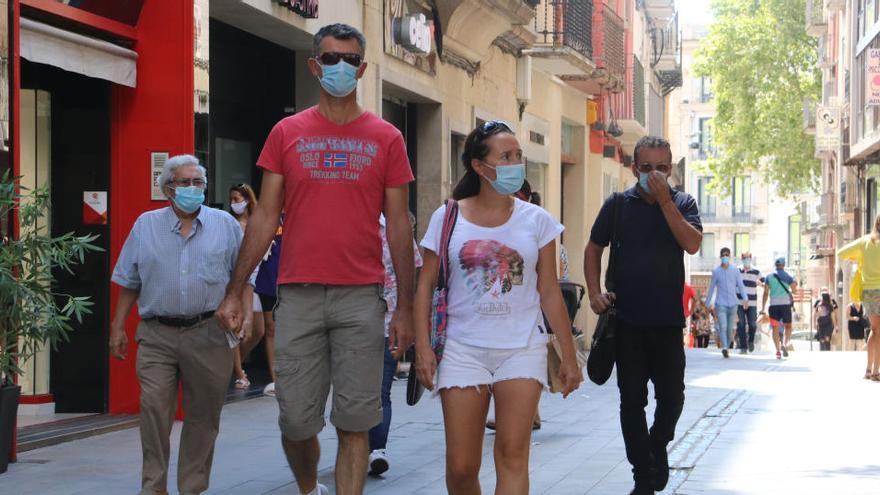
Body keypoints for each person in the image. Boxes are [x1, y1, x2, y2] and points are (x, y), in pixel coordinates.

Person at [215, 23, 417, 495]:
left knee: (355, 422)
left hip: (361, 299)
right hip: (299, 296)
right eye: (330, 59)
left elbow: (401, 226)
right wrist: (236, 291)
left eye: (349, 60)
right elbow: (265, 217)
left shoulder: (386, 138)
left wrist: (405, 307)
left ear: (362, 69)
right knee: (296, 422)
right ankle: (309, 488)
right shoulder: (287, 132)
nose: (340, 67)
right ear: (314, 65)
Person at [414, 120, 581, 494]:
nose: (515, 163)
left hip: (522, 348)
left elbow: (550, 291)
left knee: (512, 454)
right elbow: (424, 285)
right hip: (461, 349)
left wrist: (570, 355)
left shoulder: (538, 221)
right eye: (506, 156)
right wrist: (423, 348)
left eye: (518, 156)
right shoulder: (448, 217)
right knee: (461, 467)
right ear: (479, 166)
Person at [108, 154, 254, 495]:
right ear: (168, 188)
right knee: (154, 410)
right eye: (185, 182)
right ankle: (153, 487)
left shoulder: (225, 225)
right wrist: (117, 327)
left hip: (209, 333)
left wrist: (245, 314)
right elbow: (129, 281)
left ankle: (192, 487)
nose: (192, 189)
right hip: (157, 333)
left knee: (204, 418)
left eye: (198, 183)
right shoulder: (146, 225)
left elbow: (243, 278)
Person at [585, 136, 702, 495]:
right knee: (631, 401)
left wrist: (666, 201)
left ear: (671, 169)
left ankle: (656, 445)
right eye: (647, 168)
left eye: (662, 168)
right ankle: (643, 476)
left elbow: (692, 243)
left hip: (668, 323)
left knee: (673, 398)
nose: (654, 175)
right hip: (628, 323)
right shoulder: (618, 205)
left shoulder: (683, 203)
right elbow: (593, 249)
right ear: (635, 169)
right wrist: (594, 293)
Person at [368, 212, 423, 476]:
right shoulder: (352, 220)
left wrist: (410, 318)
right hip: (352, 322)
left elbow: (414, 274)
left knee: (381, 389)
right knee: (359, 391)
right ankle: (361, 448)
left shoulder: (397, 227)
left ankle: (377, 449)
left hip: (389, 322)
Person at [229, 183, 266, 389]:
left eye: (237, 199)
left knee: (257, 331)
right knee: (236, 329)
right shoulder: (230, 224)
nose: (234, 204)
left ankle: (232, 364)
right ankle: (238, 372)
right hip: (238, 282)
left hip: (255, 281)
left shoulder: (257, 223)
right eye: (232, 199)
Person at [838, 217, 880, 380]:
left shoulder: (865, 241)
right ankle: (876, 371)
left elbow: (841, 253)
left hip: (868, 290)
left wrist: (859, 258)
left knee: (874, 330)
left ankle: (869, 370)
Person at [254, 215, 283, 396]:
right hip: (267, 280)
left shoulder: (298, 214)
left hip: (292, 279)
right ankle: (276, 379)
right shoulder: (266, 217)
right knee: (271, 329)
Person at [705, 247, 748, 358]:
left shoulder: (735, 271)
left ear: (729, 256)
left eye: (727, 255)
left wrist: (745, 299)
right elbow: (712, 287)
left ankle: (727, 347)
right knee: (723, 326)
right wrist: (707, 302)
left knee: (730, 329)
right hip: (721, 304)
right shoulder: (716, 271)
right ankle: (724, 347)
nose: (725, 257)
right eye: (723, 255)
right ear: (720, 257)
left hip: (733, 304)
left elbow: (741, 286)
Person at [761, 257, 798, 359]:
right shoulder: (789, 276)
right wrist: (794, 286)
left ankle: (777, 350)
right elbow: (794, 291)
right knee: (788, 326)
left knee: (775, 328)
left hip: (773, 306)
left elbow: (765, 293)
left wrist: (763, 307)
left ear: (775, 265)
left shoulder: (768, 277)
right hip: (785, 305)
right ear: (784, 265)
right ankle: (785, 344)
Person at [736, 252, 762, 354]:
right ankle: (743, 347)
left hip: (752, 303)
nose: (746, 260)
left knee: (753, 325)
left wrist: (761, 283)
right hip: (739, 302)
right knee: (740, 324)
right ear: (742, 259)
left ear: (751, 259)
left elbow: (763, 282)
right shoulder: (737, 271)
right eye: (744, 258)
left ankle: (751, 341)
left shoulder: (756, 271)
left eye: (748, 258)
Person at [813, 287, 838, 351]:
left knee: (826, 339)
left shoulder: (829, 306)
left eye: (821, 297)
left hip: (826, 324)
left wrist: (835, 326)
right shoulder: (819, 305)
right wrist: (814, 323)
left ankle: (826, 352)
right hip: (823, 324)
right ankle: (824, 352)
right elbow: (815, 315)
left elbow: (833, 316)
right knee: (823, 340)